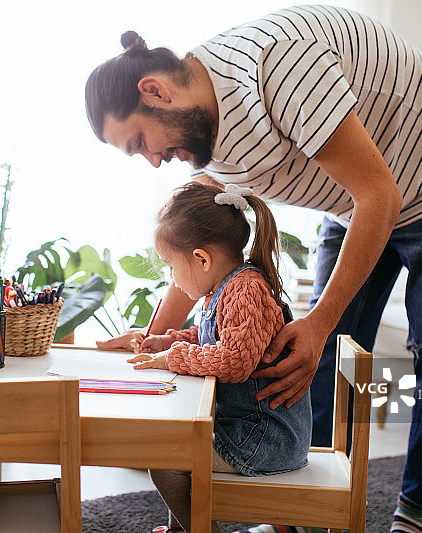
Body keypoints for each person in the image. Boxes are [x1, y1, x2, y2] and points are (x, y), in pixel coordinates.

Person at [85, 6, 422, 533]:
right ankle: (298, 510)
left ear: (156, 91)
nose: (153, 161)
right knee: (306, 357)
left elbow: (381, 194)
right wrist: (150, 340)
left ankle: (417, 515)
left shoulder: (276, 65)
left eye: (140, 142)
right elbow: (193, 258)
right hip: (356, 199)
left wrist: (319, 321)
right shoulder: (203, 146)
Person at [127, 181, 312, 533]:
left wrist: (173, 358)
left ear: (201, 258)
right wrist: (167, 341)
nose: (172, 278)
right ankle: (186, 527)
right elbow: (210, 336)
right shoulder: (225, 288)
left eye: (170, 266)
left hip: (264, 439)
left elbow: (234, 360)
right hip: (248, 431)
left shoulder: (247, 288)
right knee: (173, 443)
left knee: (164, 462)